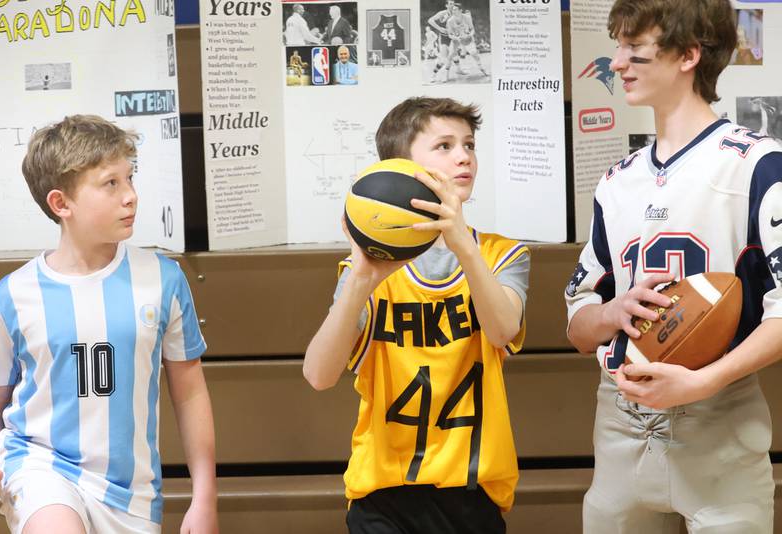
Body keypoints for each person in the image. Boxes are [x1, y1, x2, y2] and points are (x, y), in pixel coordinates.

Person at [565, 1, 782, 532]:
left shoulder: (757, 164)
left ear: (689, 55)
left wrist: (702, 382)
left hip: (719, 422)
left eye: (634, 50)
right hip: (618, 421)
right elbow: (577, 326)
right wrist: (612, 312)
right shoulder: (616, 181)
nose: (616, 63)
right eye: (617, 47)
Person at [304, 97, 530, 533]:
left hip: (472, 492)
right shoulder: (367, 271)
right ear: (402, 168)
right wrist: (360, 278)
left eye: (468, 144)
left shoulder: (503, 255)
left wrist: (462, 241)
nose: (463, 155)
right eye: (444, 146)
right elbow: (318, 374)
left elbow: (502, 330)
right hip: (383, 495)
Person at [0, 115, 218, 533]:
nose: (130, 196)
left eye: (130, 179)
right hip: (40, 468)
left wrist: (204, 498)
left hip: (130, 494)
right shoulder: (14, 295)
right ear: (61, 204)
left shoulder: (163, 279)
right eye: (111, 184)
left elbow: (190, 393)